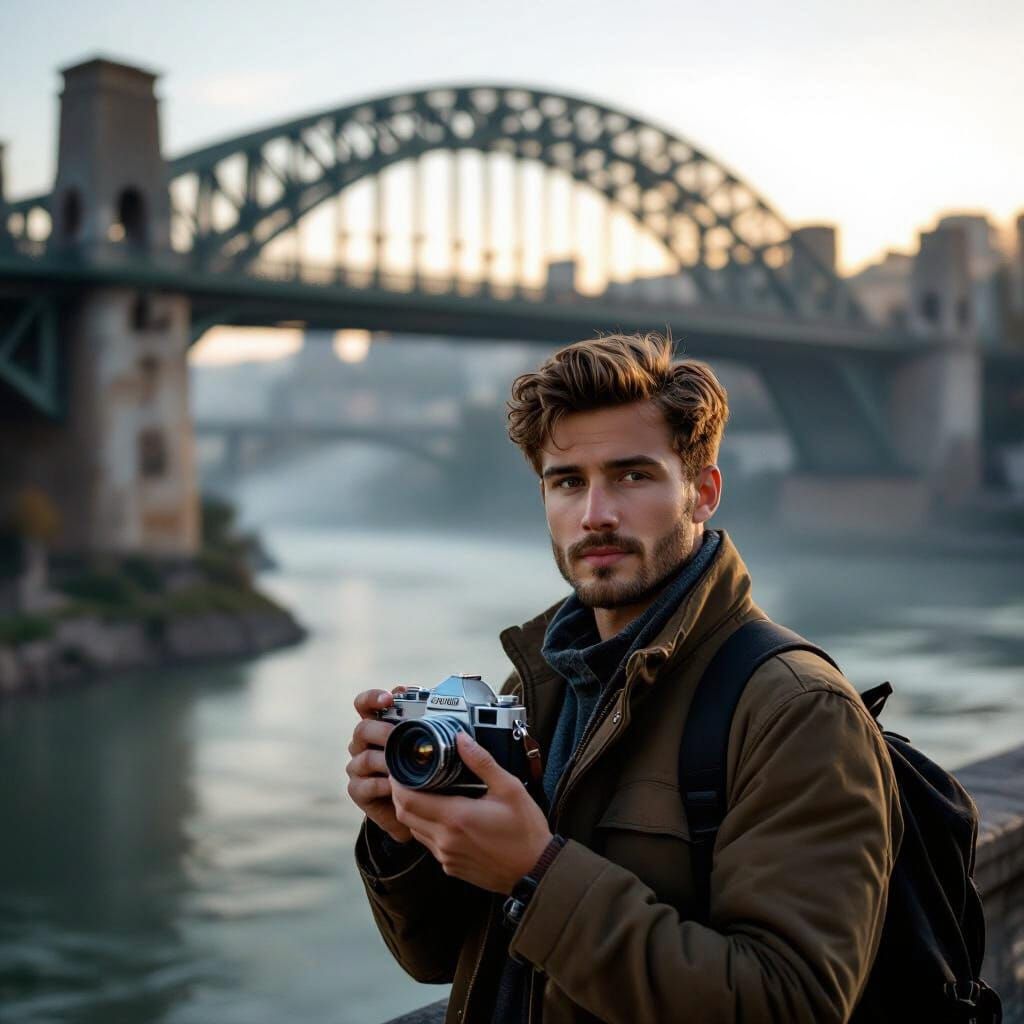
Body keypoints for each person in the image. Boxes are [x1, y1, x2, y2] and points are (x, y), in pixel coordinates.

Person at [346, 333, 903, 1024]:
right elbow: (436, 957)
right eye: (568, 482)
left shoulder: (795, 710)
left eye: (632, 476)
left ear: (702, 492)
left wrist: (537, 871)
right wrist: (406, 835)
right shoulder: (537, 688)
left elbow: (791, 1004)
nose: (595, 514)